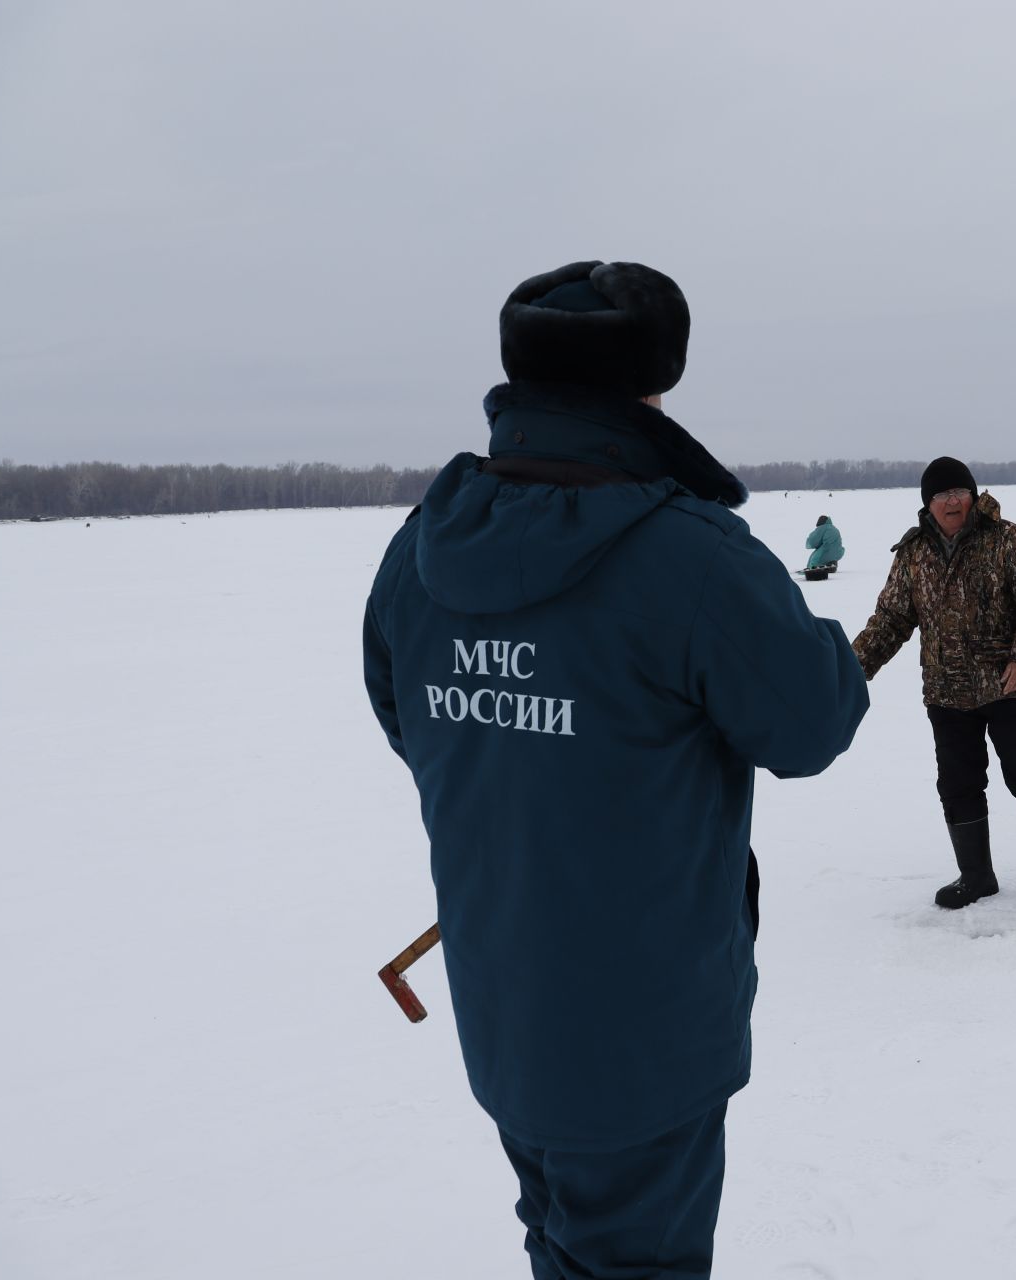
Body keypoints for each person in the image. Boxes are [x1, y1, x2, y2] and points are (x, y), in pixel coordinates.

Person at [361, 260, 869, 1279]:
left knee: (562, 1236)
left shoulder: (420, 550)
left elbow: (410, 720)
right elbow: (813, 721)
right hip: (644, 1037)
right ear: (652, 383)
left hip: (506, 1010)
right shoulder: (690, 556)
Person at [851, 457, 1016, 913]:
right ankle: (976, 877)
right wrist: (852, 668)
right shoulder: (914, 553)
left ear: (973, 496)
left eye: (959, 492)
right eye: (941, 495)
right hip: (947, 692)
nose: (952, 501)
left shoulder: (1007, 539)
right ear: (928, 504)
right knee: (957, 786)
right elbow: (892, 620)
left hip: (1009, 687)